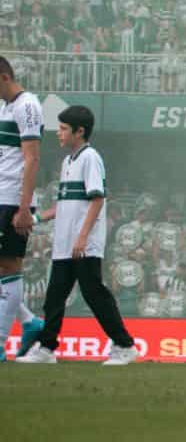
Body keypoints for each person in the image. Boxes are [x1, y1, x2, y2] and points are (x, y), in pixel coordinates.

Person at [19, 105, 139, 366]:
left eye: (63, 129)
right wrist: (37, 219)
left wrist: (83, 237)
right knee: (54, 296)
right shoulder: (67, 162)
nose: (58, 134)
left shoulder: (90, 158)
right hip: (65, 243)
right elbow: (64, 204)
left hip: (83, 244)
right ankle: (48, 348)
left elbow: (97, 198)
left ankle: (125, 345)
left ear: (79, 131)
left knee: (94, 292)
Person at [0, 56, 42, 357]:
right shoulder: (4, 107)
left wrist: (24, 208)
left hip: (13, 200)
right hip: (0, 195)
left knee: (10, 267)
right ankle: (29, 322)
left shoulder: (28, 106)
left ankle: (0, 342)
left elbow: (31, 158)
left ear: (4, 77)